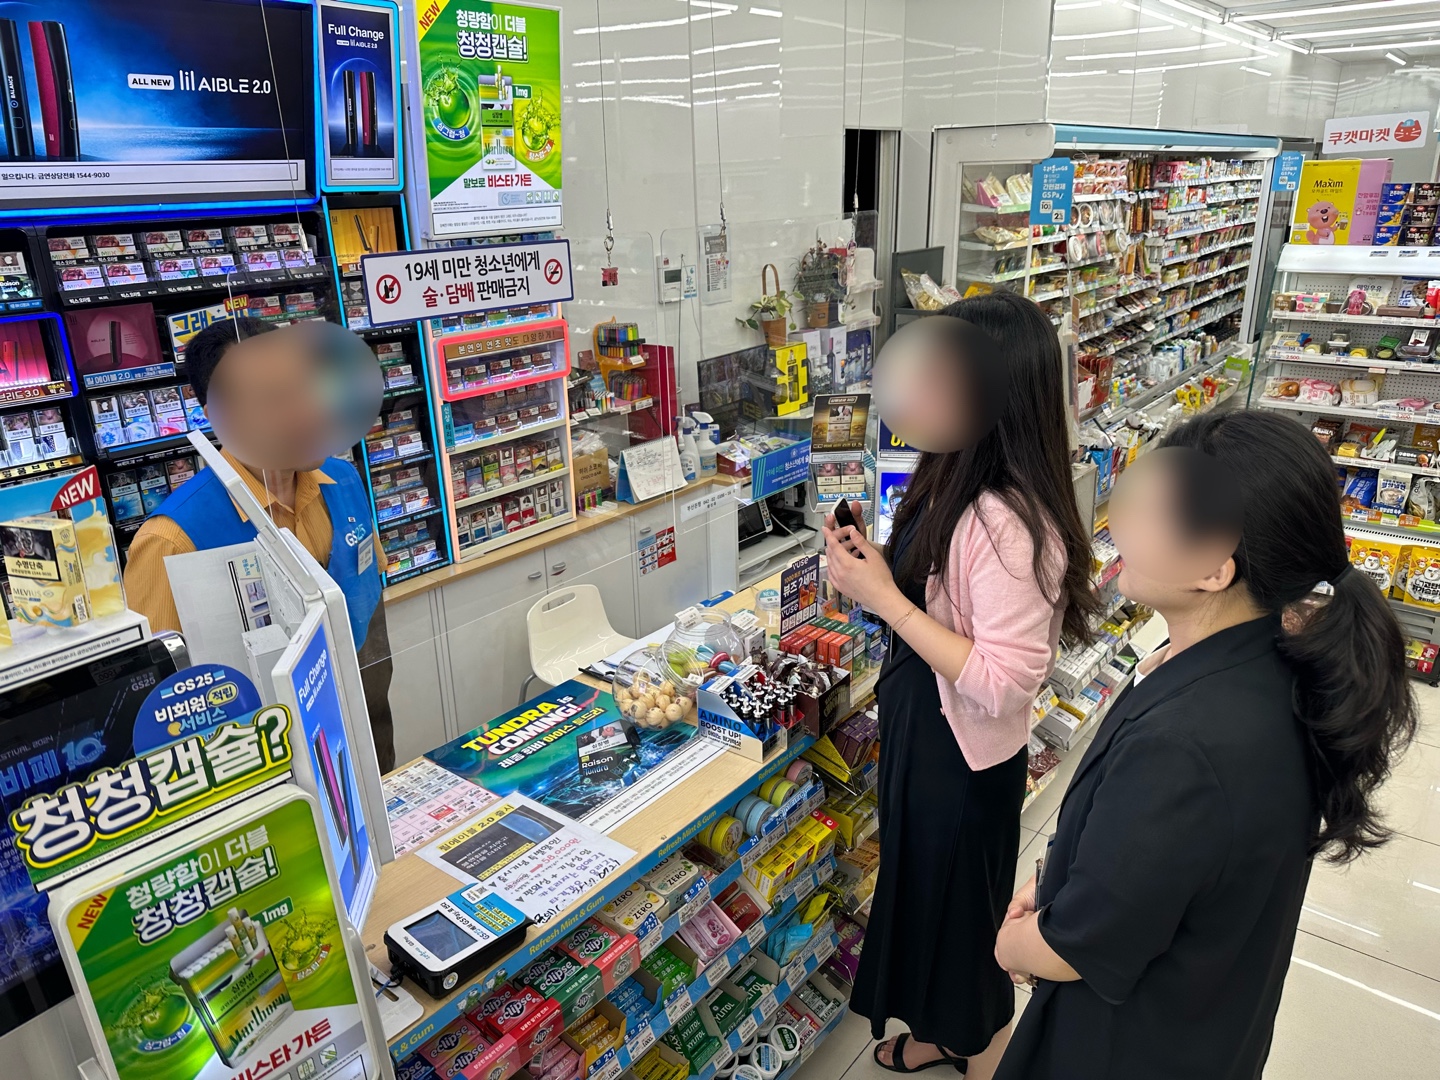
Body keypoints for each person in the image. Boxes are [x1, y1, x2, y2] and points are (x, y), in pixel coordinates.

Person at [993, 410, 1417, 1079]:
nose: (1120, 526)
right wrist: (1060, 879)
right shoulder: (1271, 662)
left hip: (1129, 1049)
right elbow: (1161, 863)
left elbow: (1080, 949)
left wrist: (1015, 944)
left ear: (1215, 569)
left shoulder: (1183, 747)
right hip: (1209, 1019)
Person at [823, 293, 1098, 1077]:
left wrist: (886, 601)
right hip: (926, 728)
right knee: (927, 900)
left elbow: (1004, 682)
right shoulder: (952, 469)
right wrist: (875, 566)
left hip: (964, 756)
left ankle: (979, 1049)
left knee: (960, 915)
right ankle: (945, 1033)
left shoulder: (1010, 521)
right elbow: (939, 594)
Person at [124, 317, 397, 772]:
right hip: (267, 763)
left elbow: (369, 589)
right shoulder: (172, 540)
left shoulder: (344, 479)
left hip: (370, 731)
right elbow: (160, 703)